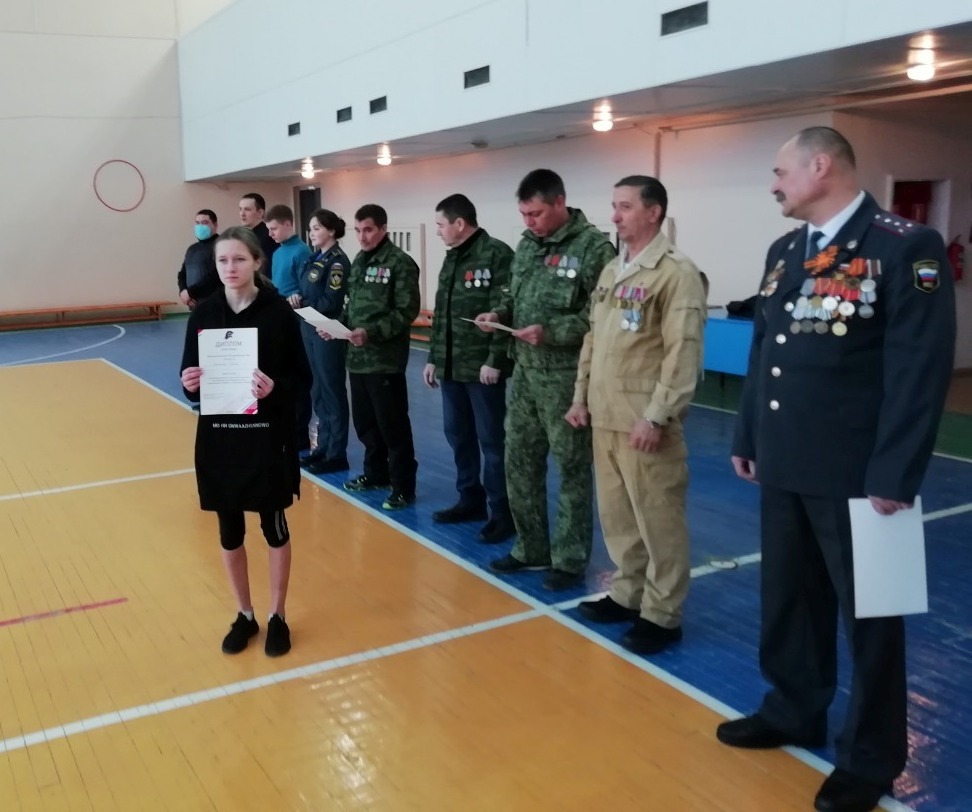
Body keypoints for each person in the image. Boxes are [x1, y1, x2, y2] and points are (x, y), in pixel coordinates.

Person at [715, 127, 956, 812]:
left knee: (871, 620)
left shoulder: (904, 246)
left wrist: (895, 474)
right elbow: (767, 349)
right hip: (786, 460)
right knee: (790, 598)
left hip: (858, 475)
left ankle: (872, 758)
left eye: (780, 172)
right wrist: (750, 433)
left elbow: (919, 369)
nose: (773, 184)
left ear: (821, 166)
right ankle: (794, 708)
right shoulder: (787, 250)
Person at [568, 176, 706, 654]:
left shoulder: (675, 273)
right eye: (614, 206)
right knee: (618, 517)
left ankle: (663, 614)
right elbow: (593, 339)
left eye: (625, 206)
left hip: (644, 422)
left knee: (658, 520)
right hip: (605, 415)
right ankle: (628, 592)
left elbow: (683, 353)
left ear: (654, 212)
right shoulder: (613, 270)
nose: (615, 216)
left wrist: (659, 416)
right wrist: (580, 397)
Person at [476, 169, 615, 590]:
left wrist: (551, 332)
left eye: (535, 213)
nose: (529, 222)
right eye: (524, 214)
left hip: (567, 378)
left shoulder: (593, 248)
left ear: (559, 203)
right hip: (525, 375)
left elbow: (602, 316)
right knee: (519, 461)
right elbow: (512, 296)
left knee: (571, 467)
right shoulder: (526, 245)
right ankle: (531, 547)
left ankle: (570, 559)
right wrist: (498, 314)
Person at [179, 225, 311, 658]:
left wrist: (275, 388)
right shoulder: (203, 315)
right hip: (220, 439)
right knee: (229, 529)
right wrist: (189, 383)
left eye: (238, 259)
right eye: (222, 260)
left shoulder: (278, 314)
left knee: (273, 527)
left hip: (267, 439)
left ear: (256, 261)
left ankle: (277, 615)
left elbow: (302, 380)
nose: (230, 267)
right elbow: (189, 379)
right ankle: (245, 614)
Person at [423, 194, 516, 543]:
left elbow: (507, 309)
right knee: (458, 436)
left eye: (440, 225)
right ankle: (470, 499)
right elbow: (443, 314)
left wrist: (495, 360)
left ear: (459, 223)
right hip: (451, 367)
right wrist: (434, 356)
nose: (438, 232)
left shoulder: (496, 254)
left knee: (492, 442)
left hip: (481, 369)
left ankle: (502, 512)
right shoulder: (452, 258)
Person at [321, 204, 420, 511]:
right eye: (358, 230)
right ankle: (376, 474)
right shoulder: (360, 261)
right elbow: (352, 306)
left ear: (383, 229)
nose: (362, 237)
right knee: (366, 423)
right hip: (357, 358)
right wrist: (337, 327)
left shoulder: (400, 263)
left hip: (384, 360)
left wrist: (371, 333)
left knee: (392, 425)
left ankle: (403, 486)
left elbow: (406, 311)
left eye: (368, 230)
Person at [299, 209, 351, 475]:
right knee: (317, 389)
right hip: (309, 326)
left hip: (327, 330)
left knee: (332, 390)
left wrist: (306, 304)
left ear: (331, 230)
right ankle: (323, 446)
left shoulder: (337, 262)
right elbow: (307, 290)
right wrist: (298, 300)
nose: (312, 233)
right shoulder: (314, 258)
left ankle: (336, 453)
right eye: (310, 228)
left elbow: (331, 300)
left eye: (317, 228)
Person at [266, 204, 314, 454]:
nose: (271, 234)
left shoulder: (302, 252)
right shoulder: (277, 253)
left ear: (287, 224)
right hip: (280, 318)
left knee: (299, 378)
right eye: (269, 229)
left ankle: (301, 434)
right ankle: (285, 428)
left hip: (297, 319)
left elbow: (307, 288)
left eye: (274, 228)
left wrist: (298, 297)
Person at [177, 209, 220, 309]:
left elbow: (216, 275)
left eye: (204, 223)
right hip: (194, 304)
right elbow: (182, 273)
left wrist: (190, 292)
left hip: (215, 304)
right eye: (197, 223)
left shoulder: (221, 245)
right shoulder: (192, 249)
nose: (200, 226)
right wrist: (183, 291)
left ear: (215, 225)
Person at [240, 192, 278, 265]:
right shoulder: (250, 235)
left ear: (260, 213)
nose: (242, 214)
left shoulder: (267, 237)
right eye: (240, 209)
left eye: (247, 209)